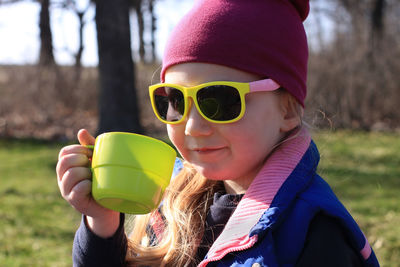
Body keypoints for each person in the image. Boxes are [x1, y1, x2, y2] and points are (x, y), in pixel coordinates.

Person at [56, 0, 380, 266]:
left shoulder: (315, 233)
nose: (193, 126)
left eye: (221, 101)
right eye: (176, 101)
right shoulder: (174, 197)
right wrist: (102, 222)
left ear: (288, 110)